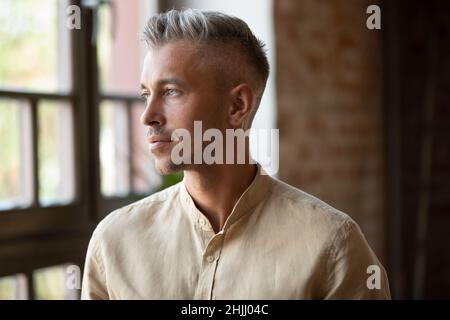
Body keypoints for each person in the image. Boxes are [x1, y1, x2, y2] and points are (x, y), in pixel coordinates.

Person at [81, 9, 390, 299]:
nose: (147, 116)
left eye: (171, 92)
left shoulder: (332, 245)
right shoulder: (114, 243)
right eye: (146, 94)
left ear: (237, 106)